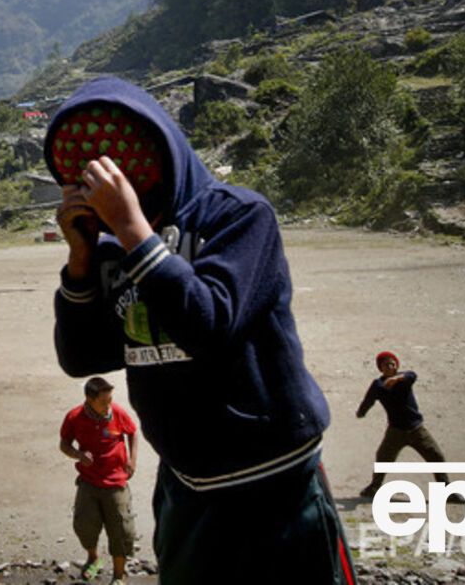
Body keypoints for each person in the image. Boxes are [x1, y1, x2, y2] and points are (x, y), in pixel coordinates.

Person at [49, 78, 357, 585]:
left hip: (275, 481)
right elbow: (82, 357)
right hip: (187, 486)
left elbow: (208, 324)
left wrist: (130, 229)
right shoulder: (115, 251)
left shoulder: (238, 218)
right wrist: (81, 260)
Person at [59, 376, 139, 585]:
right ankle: (94, 558)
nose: (108, 405)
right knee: (84, 525)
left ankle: (119, 576)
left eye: (110, 400)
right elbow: (64, 444)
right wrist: (78, 455)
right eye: (103, 401)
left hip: (116, 483)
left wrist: (132, 460)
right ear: (89, 399)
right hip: (89, 481)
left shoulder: (118, 413)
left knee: (121, 530)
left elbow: (132, 432)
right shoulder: (75, 417)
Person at [355, 351, 449, 498]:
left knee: (436, 456)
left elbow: (412, 375)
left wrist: (398, 378)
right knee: (383, 458)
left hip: (416, 429)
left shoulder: (404, 379)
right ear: (381, 368)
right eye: (386, 364)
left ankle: (446, 491)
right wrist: (362, 411)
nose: (390, 366)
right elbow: (369, 399)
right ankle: (374, 487)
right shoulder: (378, 385)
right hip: (395, 431)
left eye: (393, 364)